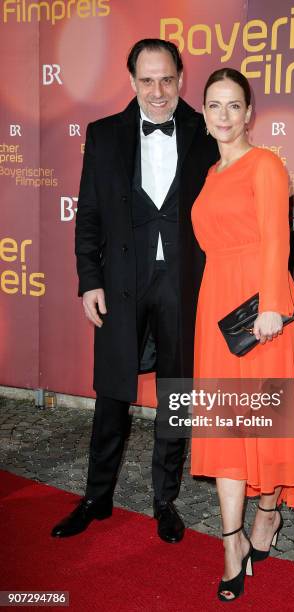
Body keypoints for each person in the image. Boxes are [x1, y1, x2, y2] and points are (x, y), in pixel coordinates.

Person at [51, 39, 219, 543]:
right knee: (112, 395)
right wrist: (89, 281)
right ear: (131, 83)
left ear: (182, 78)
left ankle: (164, 500)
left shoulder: (206, 131)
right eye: (147, 80)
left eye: (166, 78)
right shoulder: (104, 135)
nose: (158, 90)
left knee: (176, 392)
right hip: (121, 284)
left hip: (185, 284)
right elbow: (89, 217)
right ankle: (96, 497)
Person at [190, 68, 294, 601]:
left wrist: (271, 306)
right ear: (203, 113)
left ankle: (266, 516)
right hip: (215, 305)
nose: (223, 116)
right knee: (228, 424)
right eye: (214, 105)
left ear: (250, 113)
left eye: (233, 106)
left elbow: (276, 240)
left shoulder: (266, 164)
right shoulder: (210, 175)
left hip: (261, 311)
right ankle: (231, 543)